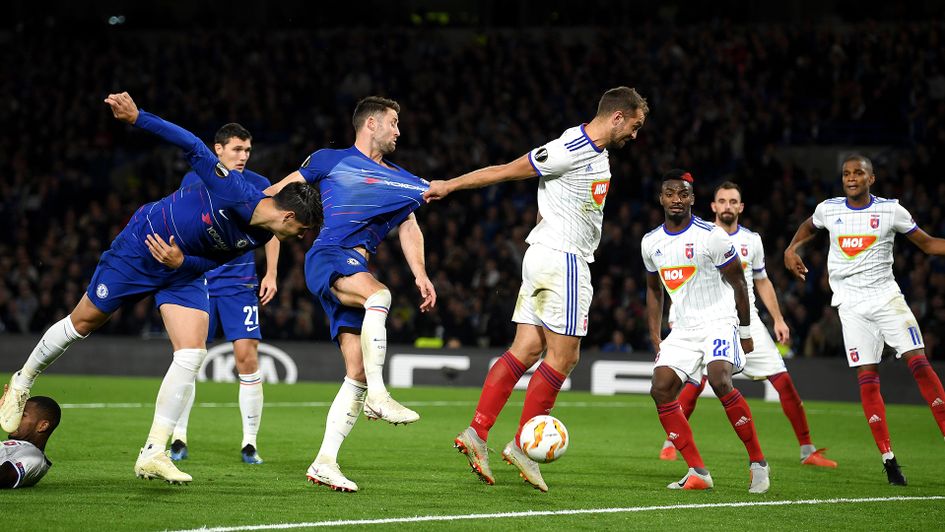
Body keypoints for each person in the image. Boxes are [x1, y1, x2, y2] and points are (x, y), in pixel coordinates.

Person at [0, 92, 322, 485]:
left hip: (180, 269)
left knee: (192, 353)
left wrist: (182, 264)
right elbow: (190, 143)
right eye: (302, 229)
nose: (302, 237)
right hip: (141, 247)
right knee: (82, 323)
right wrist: (137, 117)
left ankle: (153, 451)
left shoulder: (258, 236)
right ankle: (23, 380)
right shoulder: (235, 190)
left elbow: (212, 261)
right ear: (288, 215)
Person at [424, 86, 648, 492]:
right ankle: (525, 447)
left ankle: (477, 433)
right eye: (634, 126)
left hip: (547, 257)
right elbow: (507, 170)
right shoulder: (571, 148)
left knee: (525, 350)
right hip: (563, 259)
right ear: (617, 117)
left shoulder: (597, 151)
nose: (636, 134)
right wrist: (450, 185)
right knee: (565, 357)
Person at [265, 95, 436, 492]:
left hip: (353, 267)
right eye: (393, 122)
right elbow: (275, 196)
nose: (399, 130)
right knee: (380, 296)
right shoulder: (328, 160)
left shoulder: (400, 179)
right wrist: (262, 240)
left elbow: (409, 226)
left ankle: (325, 461)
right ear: (370, 124)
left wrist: (421, 274)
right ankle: (380, 395)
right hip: (329, 256)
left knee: (355, 372)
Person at [784, 154, 945, 486]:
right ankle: (889, 460)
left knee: (919, 361)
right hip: (851, 307)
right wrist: (791, 250)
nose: (851, 177)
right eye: (846, 173)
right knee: (868, 376)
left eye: (858, 173)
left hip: (887, 299)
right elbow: (808, 227)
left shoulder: (891, 210)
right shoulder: (829, 209)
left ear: (872, 179)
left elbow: (928, 244)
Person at [657, 181, 837, 469]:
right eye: (722, 201)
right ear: (713, 206)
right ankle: (671, 442)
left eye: (733, 201)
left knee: (783, 380)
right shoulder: (701, 236)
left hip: (746, 319)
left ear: (740, 207)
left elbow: (760, 281)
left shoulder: (752, 240)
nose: (727, 206)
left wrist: (777, 318)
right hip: (705, 320)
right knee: (697, 381)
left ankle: (807, 449)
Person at [642, 170, 769, 493]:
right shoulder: (651, 242)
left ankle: (758, 463)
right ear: (661, 198)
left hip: (719, 321)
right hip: (683, 329)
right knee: (661, 388)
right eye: (670, 193)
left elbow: (740, 283)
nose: (676, 200)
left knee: (719, 379)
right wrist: (656, 336)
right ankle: (698, 471)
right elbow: (654, 291)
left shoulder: (711, 236)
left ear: (693, 199)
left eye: (683, 194)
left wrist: (744, 330)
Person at [169, 123, 280, 466]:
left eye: (247, 150)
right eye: (236, 149)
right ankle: (178, 437)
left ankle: (249, 444)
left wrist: (271, 273)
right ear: (217, 149)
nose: (243, 156)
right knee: (188, 358)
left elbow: (274, 229)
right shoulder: (193, 180)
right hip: (199, 279)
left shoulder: (259, 185)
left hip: (239, 284)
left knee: (247, 358)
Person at [0, 393, 60, 489]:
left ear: (42, 426)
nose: (14, 418)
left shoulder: (34, 458)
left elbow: (2, 477)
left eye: (23, 415)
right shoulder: (20, 447)